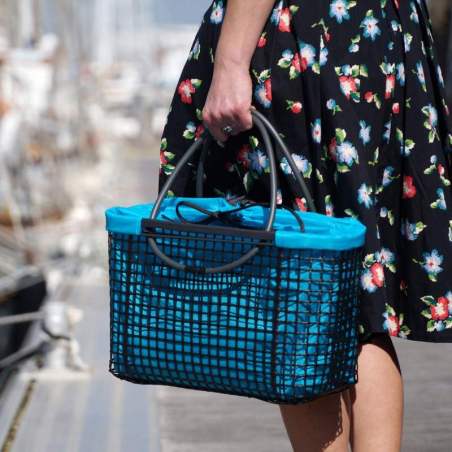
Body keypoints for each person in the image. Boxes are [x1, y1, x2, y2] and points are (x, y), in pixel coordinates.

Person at [158, 1, 452, 450]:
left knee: (300, 289)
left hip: (306, 41)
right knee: (358, 299)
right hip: (377, 35)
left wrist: (232, 62)